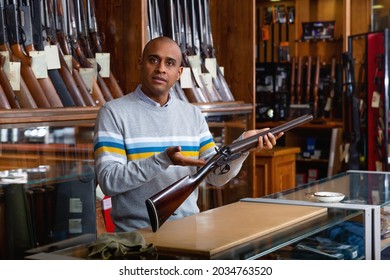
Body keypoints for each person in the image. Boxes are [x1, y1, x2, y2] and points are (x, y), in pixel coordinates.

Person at [94, 36, 282, 232]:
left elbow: (214, 176)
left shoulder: (193, 115)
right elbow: (109, 181)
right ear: (140, 64)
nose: (161, 69)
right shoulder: (113, 113)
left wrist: (243, 145)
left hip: (189, 231)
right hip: (137, 238)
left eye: (170, 63)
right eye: (153, 60)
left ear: (179, 72)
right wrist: (162, 160)